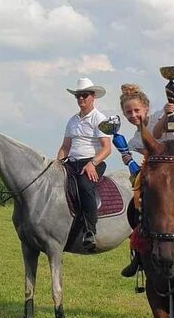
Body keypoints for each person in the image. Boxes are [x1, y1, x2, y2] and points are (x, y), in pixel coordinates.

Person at [56, 77, 111, 251]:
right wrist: (56, 164)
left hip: (92, 162)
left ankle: (90, 231)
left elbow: (107, 148)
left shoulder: (100, 119)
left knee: (84, 186)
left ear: (93, 96)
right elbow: (65, 147)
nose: (81, 99)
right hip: (72, 162)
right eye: (78, 96)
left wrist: (92, 164)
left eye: (84, 95)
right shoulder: (72, 120)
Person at [117, 83, 150, 277]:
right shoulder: (134, 140)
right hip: (151, 173)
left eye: (136, 110)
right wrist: (129, 160)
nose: (133, 115)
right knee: (135, 208)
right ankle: (138, 253)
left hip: (172, 168)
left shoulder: (157, 121)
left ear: (146, 108)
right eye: (128, 112)